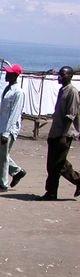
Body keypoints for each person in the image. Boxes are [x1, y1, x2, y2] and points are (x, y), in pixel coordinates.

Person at [38, 66, 80, 200]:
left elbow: (70, 115)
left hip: (64, 134)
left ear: (70, 76)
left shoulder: (72, 92)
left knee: (56, 165)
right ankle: (77, 181)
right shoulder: (62, 91)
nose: (59, 77)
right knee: (56, 163)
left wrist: (63, 135)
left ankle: (51, 192)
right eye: (59, 74)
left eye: (63, 75)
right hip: (56, 132)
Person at [0, 64, 27, 192]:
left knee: (2, 156)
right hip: (0, 126)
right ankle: (16, 171)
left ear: (15, 75)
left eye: (9, 73)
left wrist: (6, 132)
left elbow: (15, 114)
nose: (6, 75)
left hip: (8, 129)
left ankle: (1, 183)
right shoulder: (7, 89)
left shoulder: (18, 92)